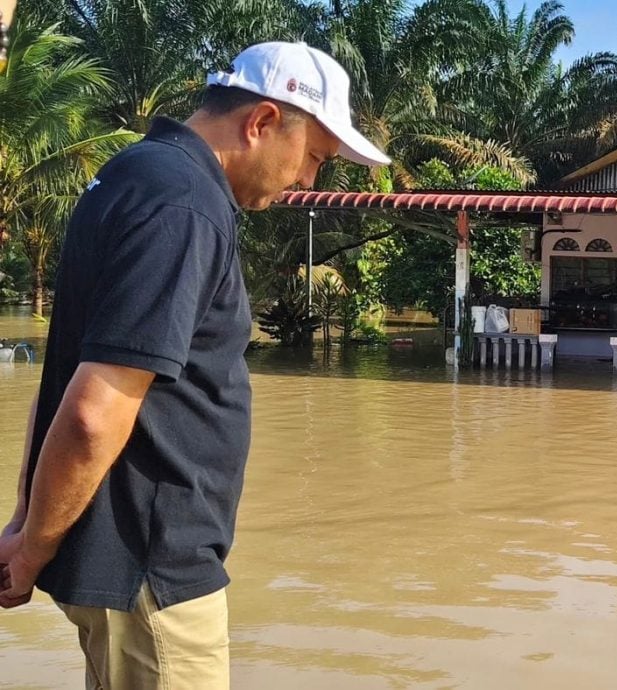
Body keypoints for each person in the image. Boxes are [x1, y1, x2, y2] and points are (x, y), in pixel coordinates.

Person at [0, 41, 388, 689]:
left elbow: (66, 375)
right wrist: (35, 540)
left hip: (124, 561)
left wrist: (27, 522)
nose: (310, 181)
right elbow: (95, 411)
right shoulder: (184, 204)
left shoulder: (136, 175)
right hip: (152, 567)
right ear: (262, 122)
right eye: (314, 156)